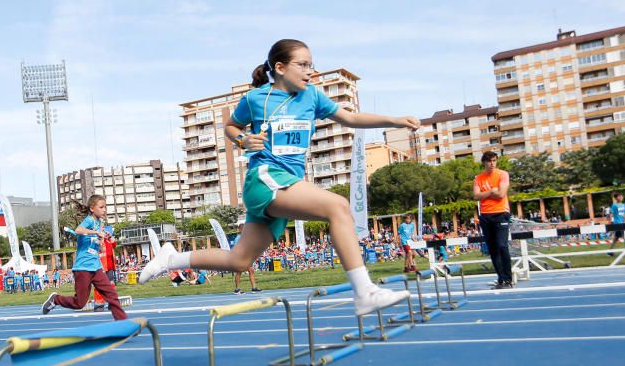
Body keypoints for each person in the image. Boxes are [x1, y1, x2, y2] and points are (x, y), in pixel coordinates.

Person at [138, 38, 417, 316]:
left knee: (240, 260)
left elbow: (350, 119)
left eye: (312, 65)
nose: (310, 71)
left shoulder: (313, 96)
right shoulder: (256, 98)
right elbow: (231, 127)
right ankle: (365, 292)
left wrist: (394, 121)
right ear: (281, 67)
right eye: (303, 65)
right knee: (339, 207)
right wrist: (244, 140)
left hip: (287, 184)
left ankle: (171, 258)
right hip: (265, 177)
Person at [41, 195, 128, 320]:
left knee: (111, 294)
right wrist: (95, 232)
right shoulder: (89, 220)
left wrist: (103, 238)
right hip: (83, 267)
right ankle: (56, 299)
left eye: (105, 207)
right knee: (79, 303)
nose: (104, 210)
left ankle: (122, 322)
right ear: (92, 209)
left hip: (96, 267)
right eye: (101, 207)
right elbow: (78, 230)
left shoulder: (99, 223)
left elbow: (99, 249)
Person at [472, 151, 512, 289]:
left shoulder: (503, 174)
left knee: (502, 245)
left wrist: (486, 194)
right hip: (486, 215)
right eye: (489, 161)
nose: (492, 164)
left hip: (501, 213)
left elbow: (501, 194)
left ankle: (508, 278)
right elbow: (476, 196)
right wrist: (490, 192)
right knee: (493, 249)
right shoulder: (478, 178)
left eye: (494, 160)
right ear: (484, 162)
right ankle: (501, 278)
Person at [230, 222, 262, 294]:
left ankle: (253, 287)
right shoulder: (238, 238)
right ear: (240, 230)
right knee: (239, 272)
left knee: (251, 271)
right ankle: (237, 289)